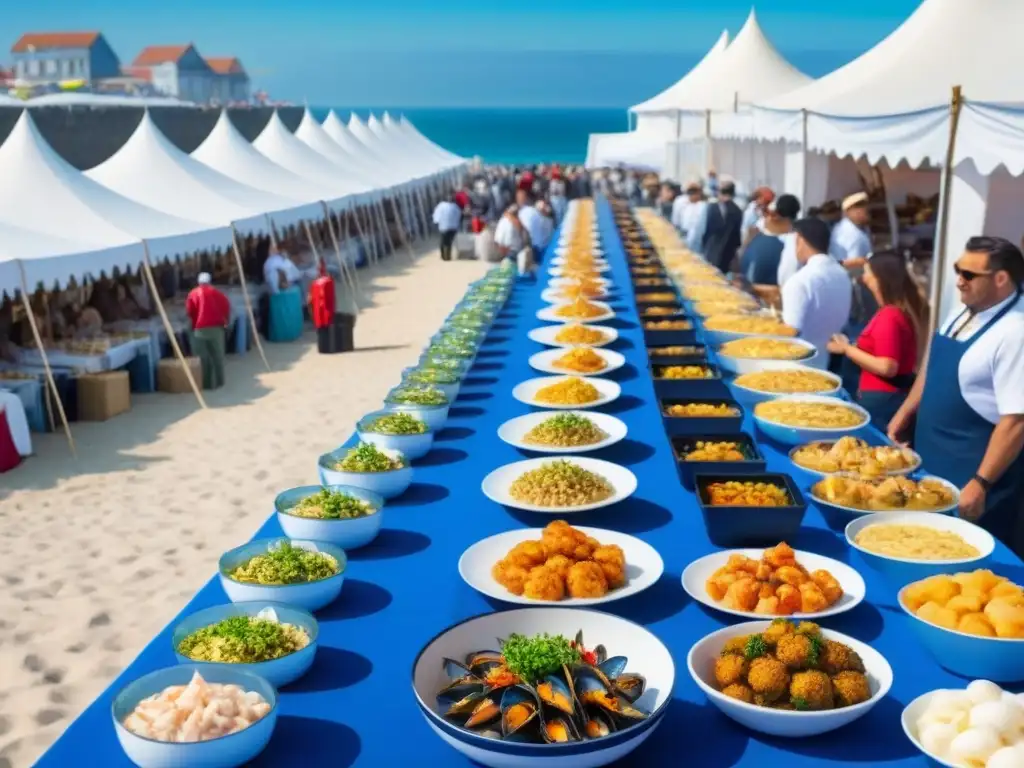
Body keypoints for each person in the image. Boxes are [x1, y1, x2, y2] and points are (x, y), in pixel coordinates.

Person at [888, 236, 1024, 552]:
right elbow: (933, 363)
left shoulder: (1016, 332)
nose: (959, 281)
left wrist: (981, 483)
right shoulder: (963, 309)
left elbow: (1016, 421)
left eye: (968, 275)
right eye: (957, 270)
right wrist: (905, 411)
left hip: (972, 478)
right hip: (930, 464)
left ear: (1001, 279)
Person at [827, 250, 927, 427]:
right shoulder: (896, 311)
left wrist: (847, 349)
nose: (864, 278)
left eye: (868, 273)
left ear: (879, 279)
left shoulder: (890, 315)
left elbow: (887, 366)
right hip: (886, 396)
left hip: (881, 400)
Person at [781, 218, 853, 369]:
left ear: (800, 240)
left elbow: (789, 333)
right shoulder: (842, 274)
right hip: (830, 363)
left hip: (798, 368)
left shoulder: (799, 282)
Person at [738, 194, 800, 306]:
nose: (766, 217)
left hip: (762, 302)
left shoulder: (790, 246)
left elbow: (784, 290)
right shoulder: (761, 233)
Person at [185, 273, 230, 389]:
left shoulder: (193, 294)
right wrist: (226, 323)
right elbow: (226, 308)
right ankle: (220, 381)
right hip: (216, 328)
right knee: (218, 356)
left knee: (203, 358)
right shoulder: (218, 294)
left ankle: (207, 383)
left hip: (199, 329)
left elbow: (190, 312)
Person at [262, 245, 304, 342]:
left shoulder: (270, 263)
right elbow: (293, 274)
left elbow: (271, 279)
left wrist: (274, 290)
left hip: (279, 291)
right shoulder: (277, 262)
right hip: (283, 290)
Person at [701, 181, 743, 273]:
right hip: (727, 255)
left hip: (710, 253)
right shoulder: (737, 210)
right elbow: (737, 238)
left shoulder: (711, 208)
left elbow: (704, 231)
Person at [830, 192, 873, 269]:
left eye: (864, 205)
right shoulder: (854, 235)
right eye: (859, 207)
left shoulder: (840, 226)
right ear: (848, 211)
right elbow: (855, 267)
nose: (865, 210)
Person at [672, 182, 707, 254]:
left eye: (695, 192)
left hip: (698, 239)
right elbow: (676, 221)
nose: (693, 195)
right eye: (691, 192)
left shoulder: (704, 206)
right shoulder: (680, 202)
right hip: (683, 234)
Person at [432, 194, 462, 262]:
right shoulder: (455, 206)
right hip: (452, 227)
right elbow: (459, 215)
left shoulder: (441, 206)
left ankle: (443, 256)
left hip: (444, 227)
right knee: (448, 242)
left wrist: (436, 222)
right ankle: (447, 256)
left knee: (443, 242)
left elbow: (436, 215)